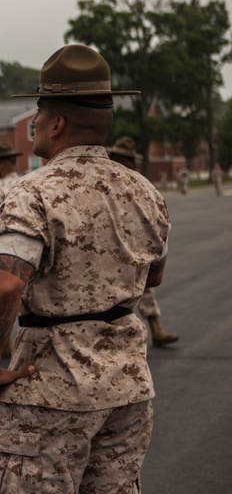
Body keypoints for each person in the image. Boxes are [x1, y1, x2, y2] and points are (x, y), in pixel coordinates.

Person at [0, 44, 170, 494]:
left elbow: (3, 286)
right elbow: (154, 278)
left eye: (38, 111)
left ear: (56, 123)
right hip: (127, 390)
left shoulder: (34, 191)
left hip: (51, 389)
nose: (34, 121)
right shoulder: (144, 191)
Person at [107, 137, 179, 348]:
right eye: (120, 159)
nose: (124, 164)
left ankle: (155, 328)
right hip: (106, 246)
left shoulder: (138, 185)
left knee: (143, 282)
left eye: (127, 160)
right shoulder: (105, 182)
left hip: (131, 245)